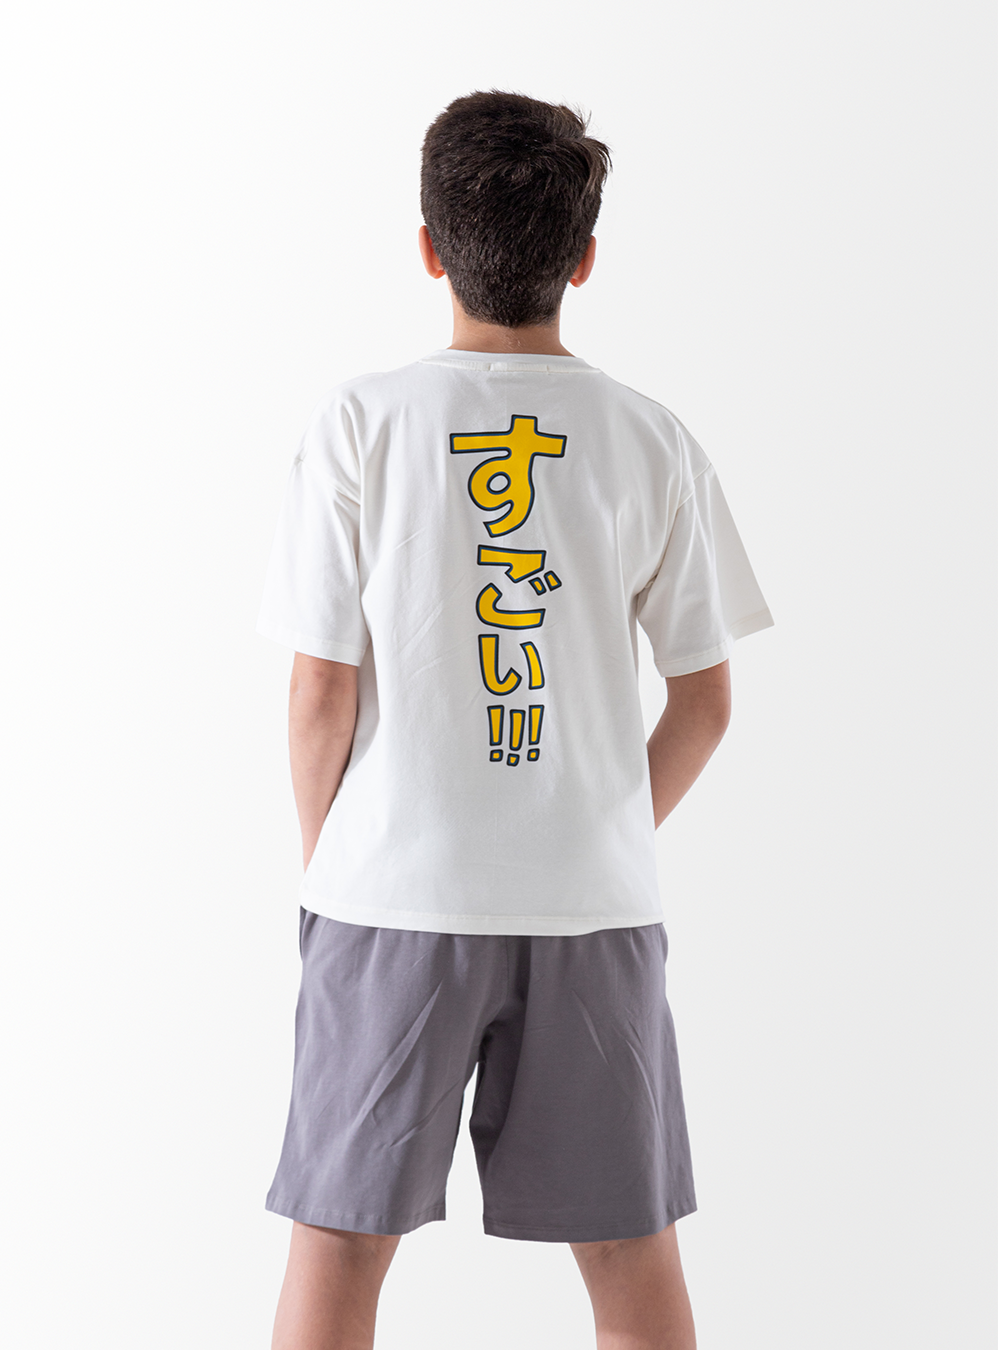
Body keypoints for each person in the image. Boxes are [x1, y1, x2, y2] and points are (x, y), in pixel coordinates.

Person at [255, 89, 774, 1350]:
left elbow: (320, 687)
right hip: (593, 906)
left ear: (428, 246)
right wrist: (600, 825)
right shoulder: (652, 439)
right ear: (585, 259)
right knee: (629, 1247)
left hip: (392, 898)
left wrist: (331, 860)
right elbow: (705, 698)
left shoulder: (360, 424)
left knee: (339, 1243)